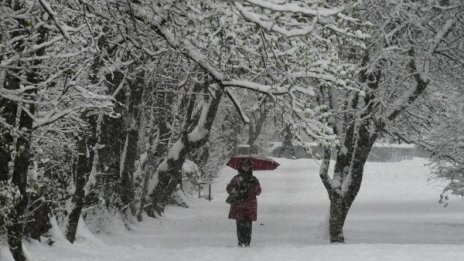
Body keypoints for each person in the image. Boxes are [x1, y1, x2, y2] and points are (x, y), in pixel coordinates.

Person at [226, 159, 261, 247]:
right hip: (239, 204)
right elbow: (229, 188)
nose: (245, 167)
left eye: (247, 166)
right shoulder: (236, 178)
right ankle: (241, 242)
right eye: (244, 166)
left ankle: (247, 242)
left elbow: (258, 192)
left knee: (248, 225)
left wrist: (254, 185)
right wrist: (236, 191)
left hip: (249, 205)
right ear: (241, 167)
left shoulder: (253, 179)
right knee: (240, 224)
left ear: (250, 167)